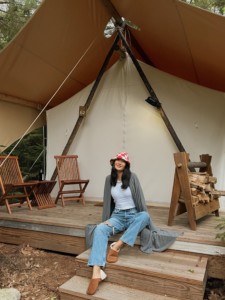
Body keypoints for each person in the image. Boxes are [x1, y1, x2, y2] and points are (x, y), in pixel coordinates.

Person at [86, 152, 181, 295]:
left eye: (122, 161)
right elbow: (107, 201)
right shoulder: (108, 179)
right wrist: (106, 219)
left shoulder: (132, 177)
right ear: (113, 163)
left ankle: (117, 246)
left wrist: (148, 221)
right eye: (117, 160)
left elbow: (140, 199)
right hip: (117, 216)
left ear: (126, 165)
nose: (119, 162)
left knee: (145, 216)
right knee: (100, 229)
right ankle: (96, 272)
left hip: (133, 214)